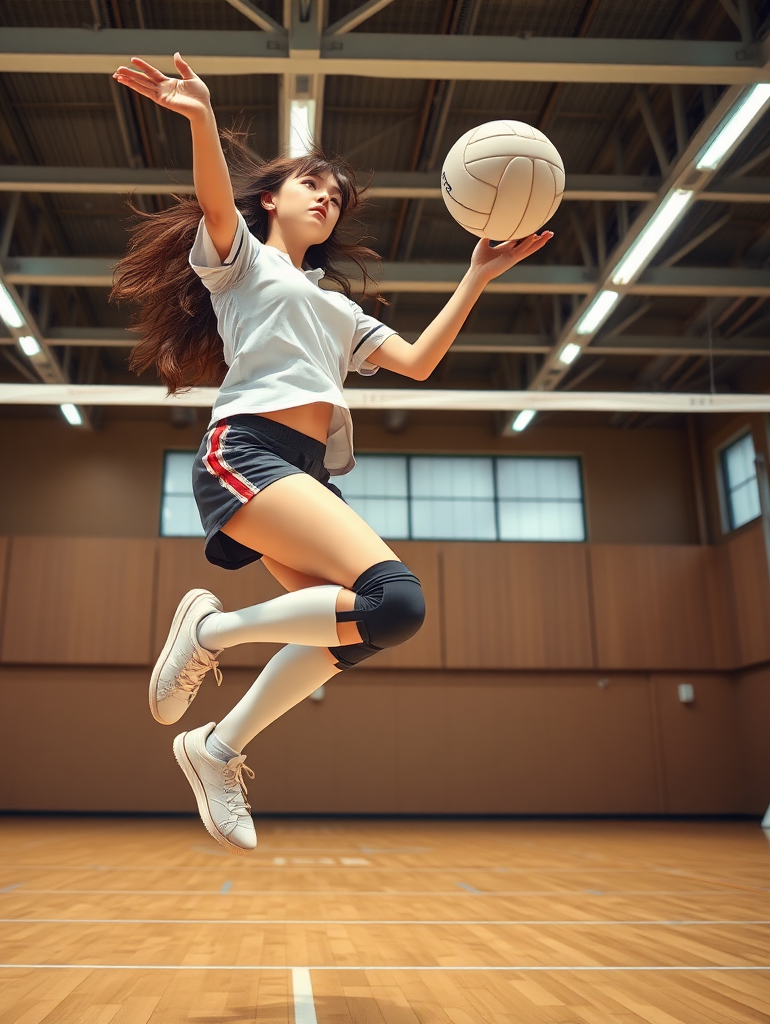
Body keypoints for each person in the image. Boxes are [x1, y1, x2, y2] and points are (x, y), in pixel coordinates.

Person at [112, 53, 552, 855]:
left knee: (370, 624)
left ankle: (217, 749)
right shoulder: (243, 265)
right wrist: (201, 116)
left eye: (337, 195)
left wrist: (478, 274)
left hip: (303, 471)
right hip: (245, 450)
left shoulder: (336, 307)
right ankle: (212, 633)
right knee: (398, 598)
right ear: (272, 199)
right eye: (313, 184)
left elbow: (418, 361)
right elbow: (216, 198)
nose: (328, 196)